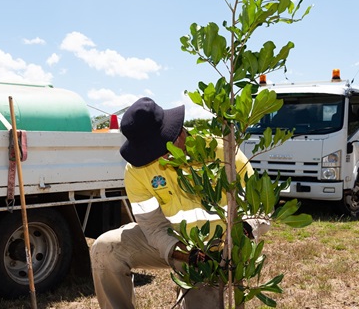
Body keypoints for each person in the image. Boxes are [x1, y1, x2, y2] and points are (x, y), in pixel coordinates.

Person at [90, 97, 269, 309]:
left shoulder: (224, 153)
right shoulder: (137, 170)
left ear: (178, 132)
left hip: (221, 246)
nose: (161, 160)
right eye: (152, 155)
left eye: (163, 151)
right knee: (105, 248)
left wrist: (242, 234)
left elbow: (260, 208)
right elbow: (152, 225)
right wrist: (181, 252)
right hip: (173, 241)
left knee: (205, 298)